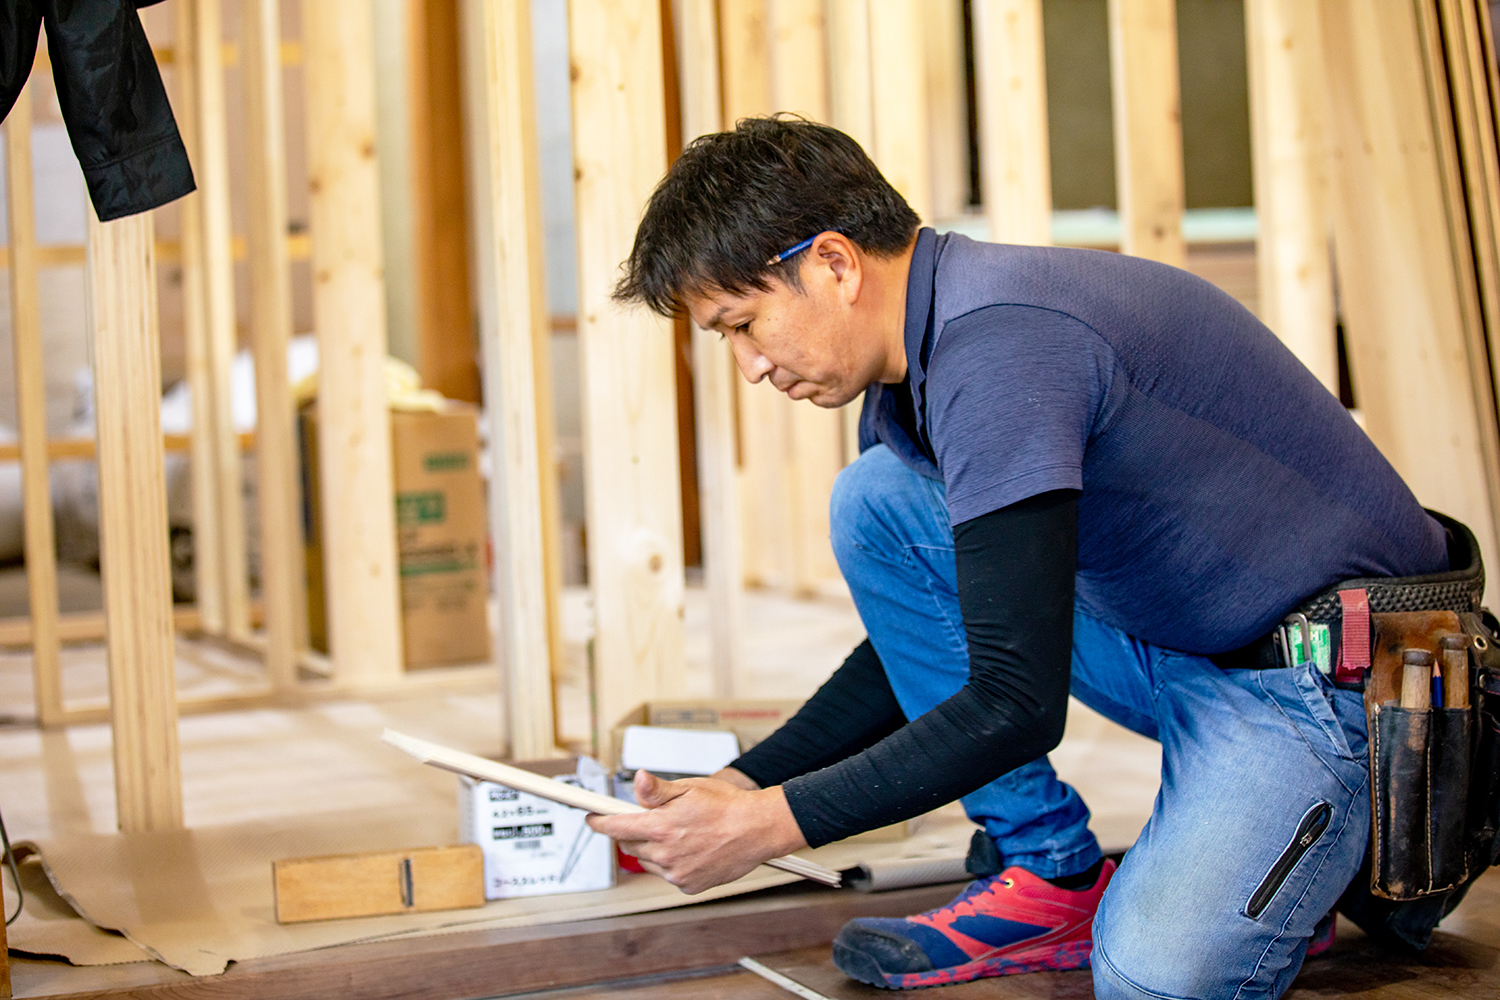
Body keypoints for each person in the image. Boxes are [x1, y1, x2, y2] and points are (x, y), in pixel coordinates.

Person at [587, 116, 1452, 999]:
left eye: (744, 324)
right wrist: (741, 783)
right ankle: (1052, 875)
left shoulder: (999, 348)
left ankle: (1300, 880)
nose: (750, 367)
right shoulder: (916, 374)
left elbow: (1015, 703)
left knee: (1156, 978)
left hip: (1328, 686)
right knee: (879, 502)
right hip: (1184, 635)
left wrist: (769, 826)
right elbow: (943, 641)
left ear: (835, 265)